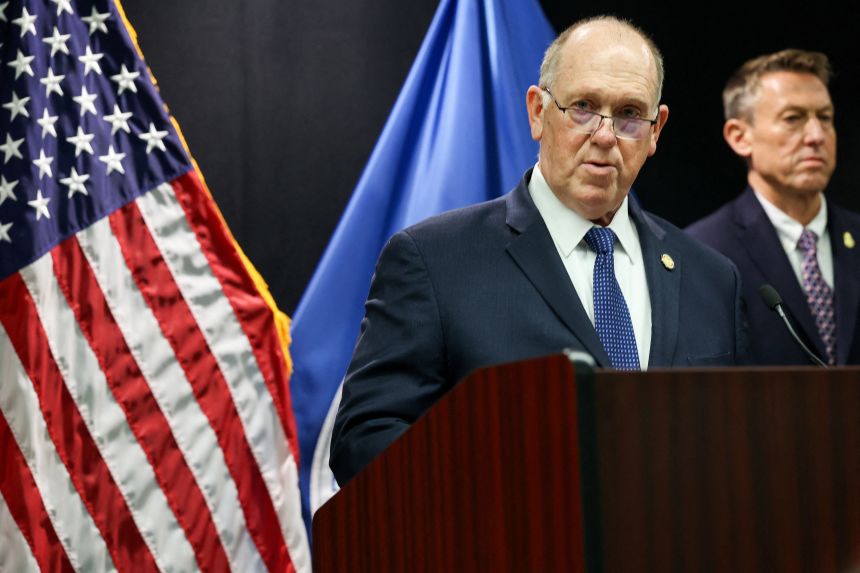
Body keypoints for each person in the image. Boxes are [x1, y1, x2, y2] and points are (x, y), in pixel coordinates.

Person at [330, 16, 748, 485]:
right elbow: (365, 439)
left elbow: (736, 449)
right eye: (584, 107)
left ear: (655, 131)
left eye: (630, 114)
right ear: (537, 112)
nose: (605, 136)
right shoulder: (435, 261)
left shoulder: (712, 278)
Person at [686, 50, 860, 366]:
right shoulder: (703, 252)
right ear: (740, 137)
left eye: (825, 118)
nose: (816, 136)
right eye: (793, 118)